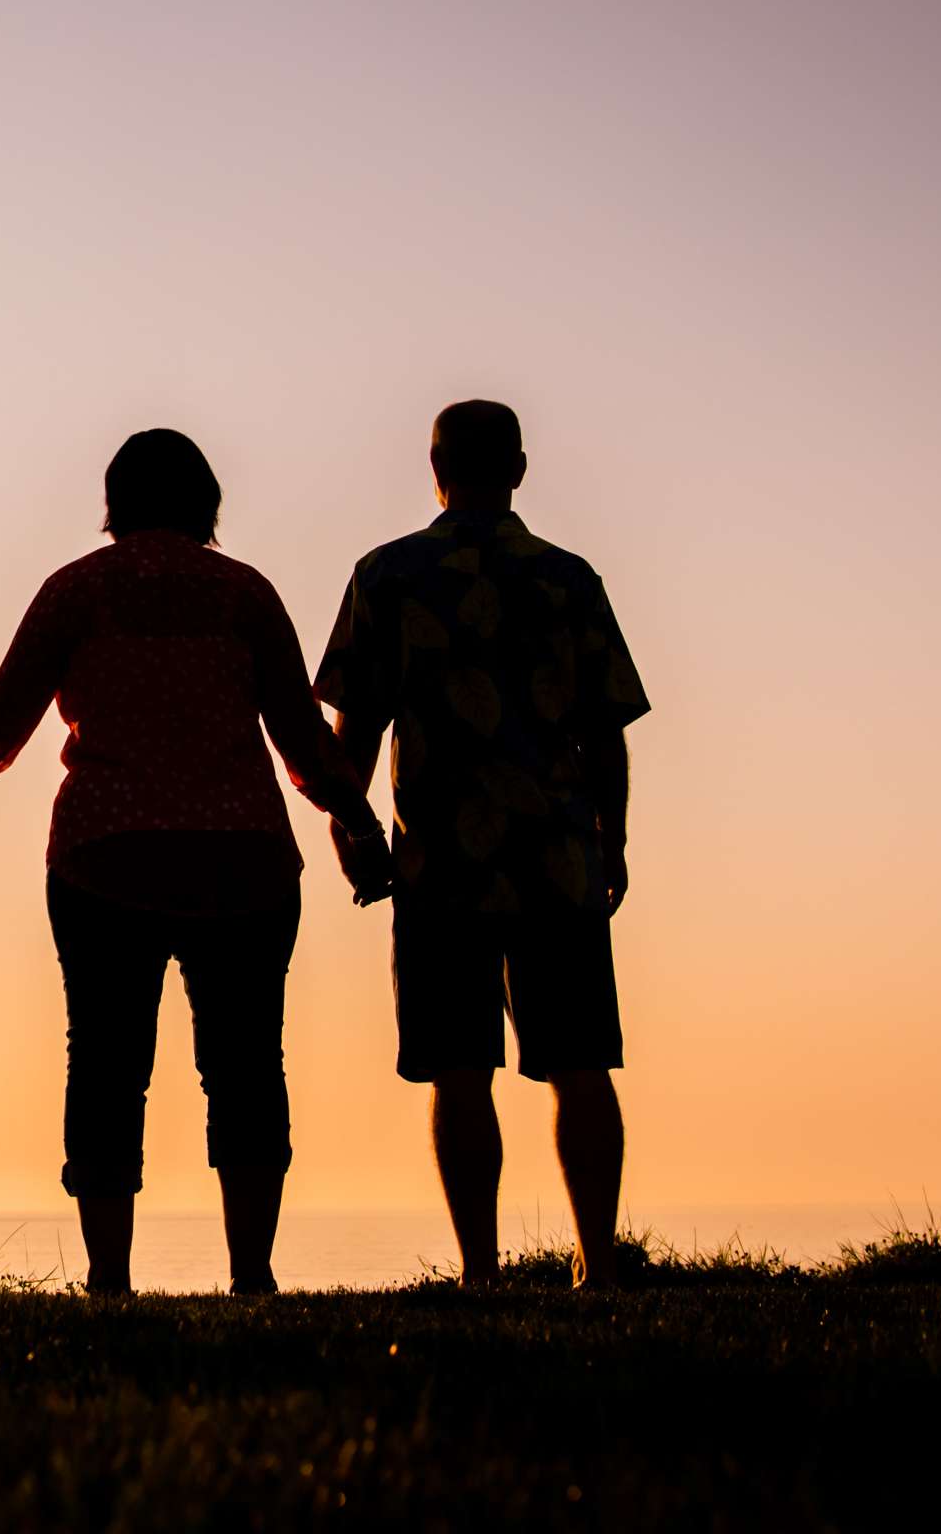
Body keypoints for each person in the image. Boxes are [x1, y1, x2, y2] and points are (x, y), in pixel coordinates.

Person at [0, 430, 386, 1296]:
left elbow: (5, 716)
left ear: (115, 502)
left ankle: (109, 1278)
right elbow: (301, 736)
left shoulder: (77, 591)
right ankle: (253, 1275)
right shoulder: (243, 593)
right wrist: (358, 819)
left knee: (104, 1064)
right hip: (241, 861)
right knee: (247, 1066)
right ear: (206, 501)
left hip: (108, 858)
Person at [314, 400, 650, 1290]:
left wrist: (350, 826)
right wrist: (612, 839)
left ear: (436, 467)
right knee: (580, 1062)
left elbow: (354, 725)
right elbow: (608, 728)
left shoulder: (388, 575)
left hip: (440, 857)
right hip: (557, 850)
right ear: (521, 468)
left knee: (457, 1066)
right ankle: (601, 1265)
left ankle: (480, 1271)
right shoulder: (568, 578)